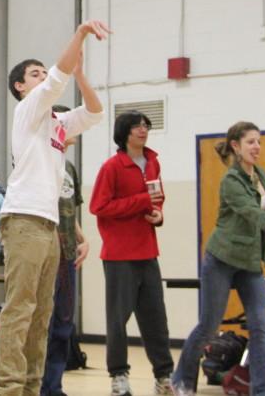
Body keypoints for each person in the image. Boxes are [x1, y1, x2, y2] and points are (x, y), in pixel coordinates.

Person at [0, 22, 108, 396]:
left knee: (42, 315)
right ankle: (8, 388)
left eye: (44, 70)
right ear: (21, 87)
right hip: (23, 219)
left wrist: (81, 72)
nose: (42, 75)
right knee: (20, 309)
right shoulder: (28, 110)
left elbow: (94, 112)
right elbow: (57, 80)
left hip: (49, 224)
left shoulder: (56, 124)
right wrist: (79, 35)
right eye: (34, 73)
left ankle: (30, 388)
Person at [171, 122, 265, 396]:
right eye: (251, 142)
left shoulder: (261, 176)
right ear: (236, 147)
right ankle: (181, 379)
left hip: (250, 263)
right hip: (222, 259)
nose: (257, 147)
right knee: (209, 326)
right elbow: (253, 213)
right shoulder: (231, 181)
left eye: (259, 142)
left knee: (260, 328)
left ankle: (260, 391)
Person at [90, 111, 172, 396]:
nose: (143, 129)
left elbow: (157, 200)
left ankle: (164, 376)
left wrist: (157, 215)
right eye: (137, 126)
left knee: (155, 318)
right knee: (118, 319)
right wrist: (140, 202)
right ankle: (118, 376)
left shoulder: (153, 163)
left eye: (146, 125)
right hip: (118, 255)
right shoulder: (112, 167)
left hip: (147, 251)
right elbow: (99, 207)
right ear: (124, 132)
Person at [40, 112, 89, 396]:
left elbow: (71, 207)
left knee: (63, 323)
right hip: (46, 251)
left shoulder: (69, 167)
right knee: (41, 322)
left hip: (68, 254)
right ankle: (34, 383)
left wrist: (83, 239)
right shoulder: (40, 160)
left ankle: (53, 386)